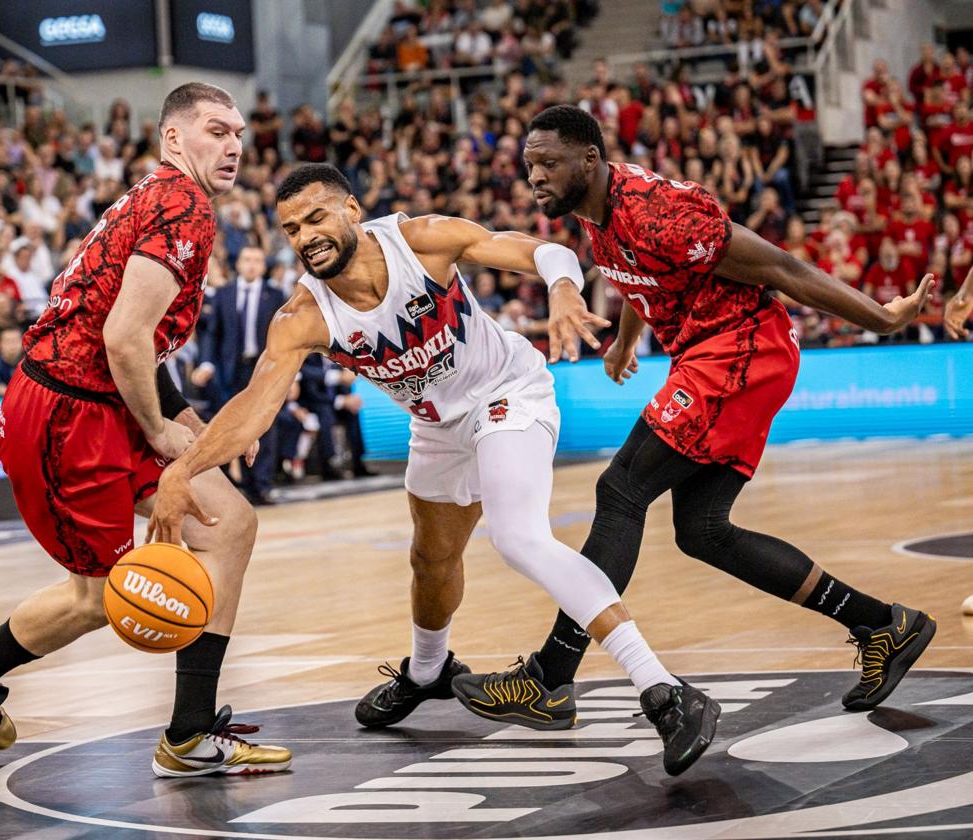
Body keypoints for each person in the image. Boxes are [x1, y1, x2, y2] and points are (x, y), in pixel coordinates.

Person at [147, 163, 722, 778]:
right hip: (437, 424)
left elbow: (549, 250)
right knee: (430, 559)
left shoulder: (420, 240)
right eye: (291, 228)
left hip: (508, 394)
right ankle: (428, 672)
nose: (305, 235)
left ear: (350, 209)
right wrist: (185, 470)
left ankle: (662, 689)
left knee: (518, 537)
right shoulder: (301, 317)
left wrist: (561, 288)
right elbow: (255, 409)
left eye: (316, 217)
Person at [456, 106, 937, 731]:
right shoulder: (595, 216)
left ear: (590, 161)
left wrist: (883, 318)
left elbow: (784, 270)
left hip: (742, 350)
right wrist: (628, 340)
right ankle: (881, 625)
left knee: (620, 489)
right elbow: (639, 278)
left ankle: (550, 678)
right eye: (529, 166)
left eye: (549, 164)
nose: (536, 178)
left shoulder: (660, 209)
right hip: (713, 355)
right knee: (703, 530)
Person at [0, 83, 291, 779]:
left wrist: (183, 420)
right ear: (174, 138)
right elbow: (125, 336)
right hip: (67, 415)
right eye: (217, 129)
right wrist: (156, 428)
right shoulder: (183, 204)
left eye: (240, 132)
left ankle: (189, 733)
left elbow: (130, 337)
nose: (235, 144)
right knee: (95, 600)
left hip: (98, 401)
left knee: (231, 524)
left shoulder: (157, 196)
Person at [194, 245, 285, 503]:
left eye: (257, 260)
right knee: (229, 427)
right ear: (239, 264)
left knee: (264, 427)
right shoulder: (224, 294)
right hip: (230, 371)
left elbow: (285, 336)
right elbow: (212, 334)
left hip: (264, 371)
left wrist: (293, 376)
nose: (251, 265)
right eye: (247, 259)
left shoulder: (275, 295)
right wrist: (207, 364)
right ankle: (237, 486)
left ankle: (262, 486)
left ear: (263, 266)